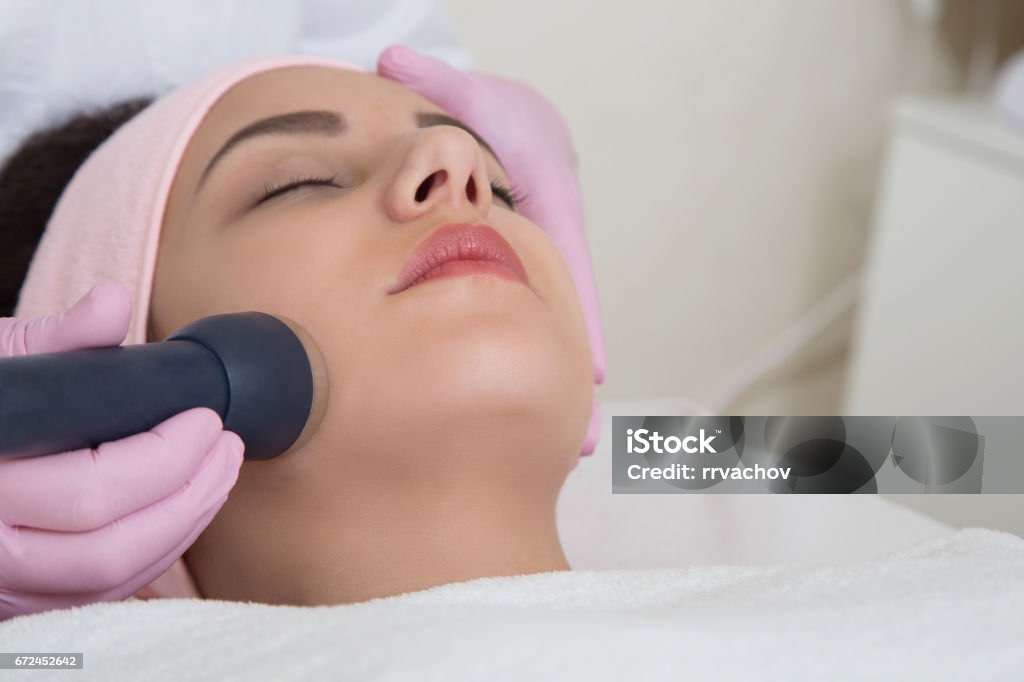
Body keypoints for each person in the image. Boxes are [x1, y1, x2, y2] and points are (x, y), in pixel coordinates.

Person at [0, 48, 604, 617]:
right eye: (301, 181)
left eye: (503, 191)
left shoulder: (675, 480)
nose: (455, 155)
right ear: (111, 400)